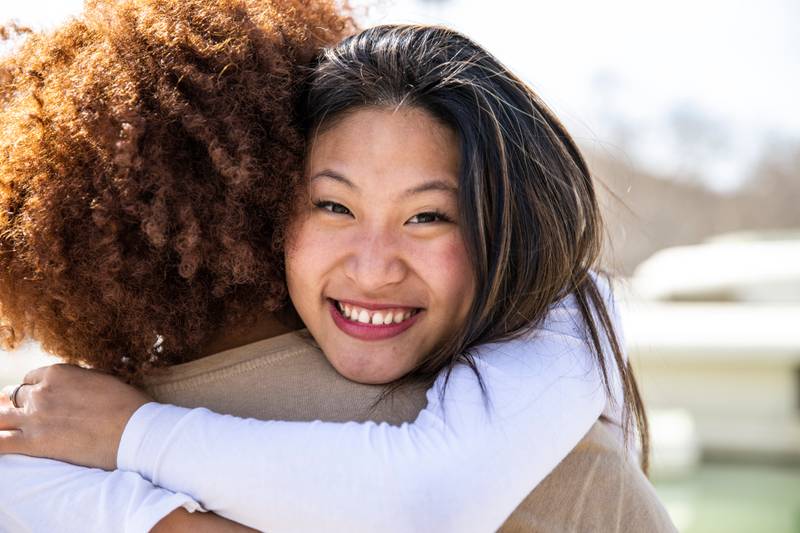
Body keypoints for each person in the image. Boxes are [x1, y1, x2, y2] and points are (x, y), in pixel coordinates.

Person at [0, 7, 673, 532]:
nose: (375, 268)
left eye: (428, 216)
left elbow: (428, 496)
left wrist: (133, 436)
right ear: (265, 203)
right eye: (332, 205)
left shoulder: (552, 363)